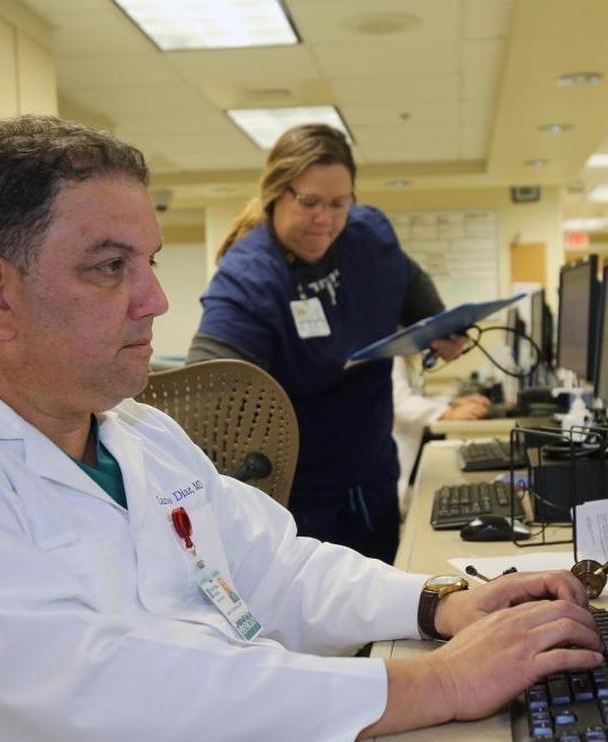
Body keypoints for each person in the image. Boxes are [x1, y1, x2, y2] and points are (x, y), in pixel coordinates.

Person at [0, 115, 602, 742]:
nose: (156, 301)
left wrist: (439, 603)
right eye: (109, 267)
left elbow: (277, 568)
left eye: (150, 263)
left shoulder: (136, 436)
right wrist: (444, 682)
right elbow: (116, 703)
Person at [187, 124, 462, 564]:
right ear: (277, 192)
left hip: (371, 470)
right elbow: (210, 393)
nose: (326, 219)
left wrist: (438, 324)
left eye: (339, 204)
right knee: (324, 622)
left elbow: (405, 277)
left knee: (382, 609)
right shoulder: (250, 276)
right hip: (298, 494)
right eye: (310, 202)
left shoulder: (366, 235)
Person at [391, 355, 490, 506]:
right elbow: (400, 403)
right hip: (390, 451)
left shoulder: (402, 357)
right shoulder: (394, 358)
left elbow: (415, 396)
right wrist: (448, 413)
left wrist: (452, 403)